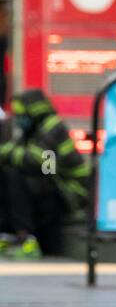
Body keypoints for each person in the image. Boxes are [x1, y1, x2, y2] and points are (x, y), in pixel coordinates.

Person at [0, 89, 91, 258]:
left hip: (71, 194)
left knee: (15, 177)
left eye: (21, 114)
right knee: (7, 175)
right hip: (52, 188)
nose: (18, 118)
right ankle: (8, 234)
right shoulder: (32, 130)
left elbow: (44, 165)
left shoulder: (53, 127)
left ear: (33, 111)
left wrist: (10, 154)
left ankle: (25, 238)